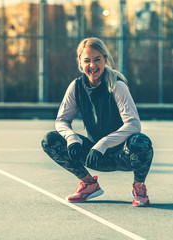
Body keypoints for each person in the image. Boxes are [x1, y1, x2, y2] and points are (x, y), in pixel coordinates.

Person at [41, 37, 154, 207]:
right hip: (93, 156)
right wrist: (72, 138)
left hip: (121, 154)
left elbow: (133, 124)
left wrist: (102, 144)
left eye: (97, 60)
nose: (92, 65)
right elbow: (62, 120)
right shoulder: (76, 86)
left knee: (141, 142)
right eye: (87, 61)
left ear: (105, 60)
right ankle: (88, 184)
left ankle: (139, 187)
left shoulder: (117, 85)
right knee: (50, 140)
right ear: (80, 61)